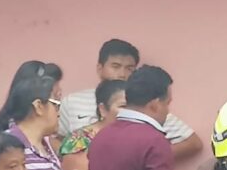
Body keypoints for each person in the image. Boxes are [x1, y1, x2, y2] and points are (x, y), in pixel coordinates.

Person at [59, 38, 202, 161]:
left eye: (129, 68)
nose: (122, 74)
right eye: (115, 66)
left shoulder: (142, 104)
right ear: (100, 68)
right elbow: (55, 138)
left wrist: (145, 159)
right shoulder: (72, 102)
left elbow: (193, 143)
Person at [0, 60, 64, 132]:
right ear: (38, 105)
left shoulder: (45, 135)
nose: (60, 93)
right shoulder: (9, 139)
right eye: (54, 97)